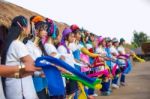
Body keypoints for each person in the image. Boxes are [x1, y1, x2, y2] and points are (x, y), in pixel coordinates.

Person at [1, 15, 39, 99]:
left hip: (13, 89)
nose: (31, 28)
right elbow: (33, 65)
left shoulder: (11, 43)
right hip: (22, 93)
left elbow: (22, 70)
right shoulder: (17, 44)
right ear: (23, 28)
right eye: (29, 25)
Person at [26, 16, 49, 99]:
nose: (46, 32)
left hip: (44, 82)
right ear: (35, 30)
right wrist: (39, 73)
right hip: (35, 82)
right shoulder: (28, 46)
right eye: (43, 29)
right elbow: (30, 65)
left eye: (46, 29)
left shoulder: (40, 47)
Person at [57, 28, 78, 99]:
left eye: (73, 36)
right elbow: (61, 62)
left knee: (72, 93)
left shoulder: (68, 48)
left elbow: (71, 60)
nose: (73, 38)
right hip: (67, 74)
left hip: (71, 73)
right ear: (66, 37)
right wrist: (66, 73)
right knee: (68, 94)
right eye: (71, 36)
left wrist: (81, 61)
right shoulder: (61, 48)